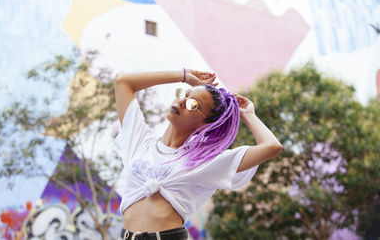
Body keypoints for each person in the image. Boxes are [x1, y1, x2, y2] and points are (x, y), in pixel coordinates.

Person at [114, 69, 282, 240]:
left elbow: (271, 146)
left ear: (203, 125)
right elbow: (123, 81)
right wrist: (184, 76)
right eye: (184, 95)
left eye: (194, 105)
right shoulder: (140, 141)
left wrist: (248, 114)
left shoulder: (204, 161)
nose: (181, 102)